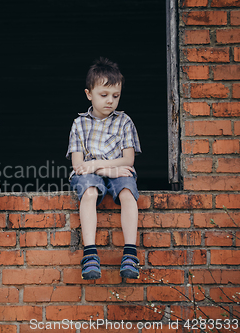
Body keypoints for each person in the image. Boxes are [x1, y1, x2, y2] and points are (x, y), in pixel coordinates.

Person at [66, 57, 142, 280]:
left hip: (116, 171)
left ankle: (130, 253)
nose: (110, 101)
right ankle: (90, 254)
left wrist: (98, 166)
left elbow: (128, 160)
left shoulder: (124, 121)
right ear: (89, 94)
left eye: (115, 96)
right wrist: (104, 170)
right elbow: (79, 165)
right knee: (89, 192)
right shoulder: (79, 124)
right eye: (104, 95)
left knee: (128, 192)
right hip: (90, 174)